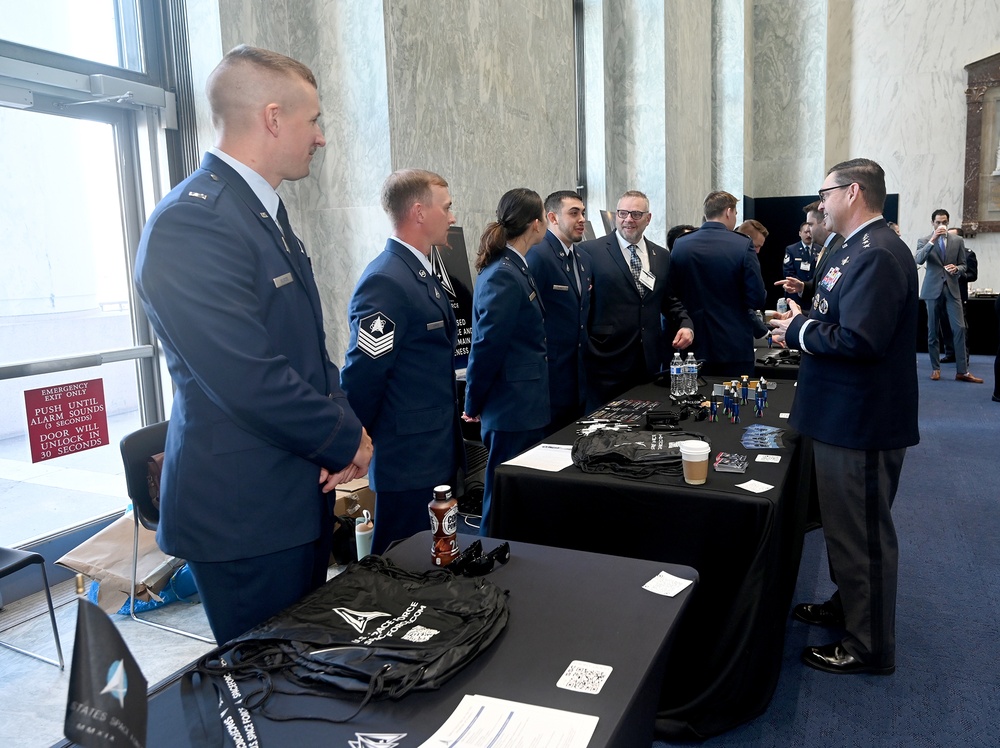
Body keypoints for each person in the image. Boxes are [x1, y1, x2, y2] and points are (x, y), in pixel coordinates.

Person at [134, 46, 372, 644]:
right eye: (313, 120)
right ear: (272, 117)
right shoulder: (194, 221)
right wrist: (344, 439)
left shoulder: (259, 212)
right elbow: (245, 377)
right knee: (266, 688)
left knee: (301, 676)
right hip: (245, 513)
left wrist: (346, 422)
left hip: (291, 493)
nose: (320, 137)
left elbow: (308, 351)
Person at [770, 158, 919, 675]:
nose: (820, 204)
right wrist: (804, 319)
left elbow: (860, 339)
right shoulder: (851, 248)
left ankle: (869, 644)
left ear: (852, 192)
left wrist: (796, 333)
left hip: (862, 421)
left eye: (825, 193)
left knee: (864, 537)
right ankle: (849, 605)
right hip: (838, 415)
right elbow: (836, 316)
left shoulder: (877, 253)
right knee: (841, 529)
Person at [341, 169, 464, 554]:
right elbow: (364, 372)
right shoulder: (387, 280)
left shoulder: (420, 273)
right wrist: (353, 443)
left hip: (432, 448)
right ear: (419, 212)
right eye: (446, 208)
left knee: (431, 558)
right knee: (399, 562)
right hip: (407, 458)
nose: (453, 217)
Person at [463, 188, 549, 534]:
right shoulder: (503, 272)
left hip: (523, 403)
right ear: (535, 224)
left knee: (518, 490)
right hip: (512, 406)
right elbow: (487, 345)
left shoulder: (516, 266)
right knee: (500, 492)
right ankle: (487, 550)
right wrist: (474, 401)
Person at [578, 191, 693, 410]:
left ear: (648, 218)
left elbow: (668, 300)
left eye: (636, 214)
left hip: (647, 363)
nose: (628, 219)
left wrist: (686, 324)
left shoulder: (661, 256)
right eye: (622, 213)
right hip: (605, 362)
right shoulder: (590, 251)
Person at [668, 191, 766, 376]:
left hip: (692, 344)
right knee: (736, 401)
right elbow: (757, 299)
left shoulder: (681, 244)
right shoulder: (742, 245)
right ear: (729, 212)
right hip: (733, 345)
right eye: (735, 214)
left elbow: (671, 293)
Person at [526, 190, 593, 433]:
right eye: (573, 213)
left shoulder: (583, 258)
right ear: (552, 218)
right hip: (549, 377)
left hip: (578, 375)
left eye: (583, 213)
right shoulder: (538, 256)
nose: (582, 219)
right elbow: (528, 317)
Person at [916, 209, 982, 383]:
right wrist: (932, 240)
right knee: (932, 331)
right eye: (938, 222)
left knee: (959, 328)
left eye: (944, 221)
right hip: (932, 289)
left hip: (953, 288)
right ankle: (935, 368)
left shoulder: (957, 240)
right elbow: (918, 259)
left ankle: (962, 371)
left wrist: (957, 269)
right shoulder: (924, 240)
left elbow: (963, 265)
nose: (941, 225)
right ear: (932, 223)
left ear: (948, 221)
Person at [775, 201, 844, 310]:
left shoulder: (837, 247)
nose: (809, 231)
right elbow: (824, 283)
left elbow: (833, 287)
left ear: (824, 222)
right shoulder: (827, 248)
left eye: (811, 225)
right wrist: (803, 286)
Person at [937, 229, 977, 366]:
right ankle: (950, 353)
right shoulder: (943, 254)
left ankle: (963, 357)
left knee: (960, 327)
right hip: (942, 293)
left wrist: (958, 273)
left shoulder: (968, 254)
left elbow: (973, 275)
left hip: (959, 294)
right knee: (945, 325)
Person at [782, 221, 817, 304]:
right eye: (806, 232)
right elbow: (788, 272)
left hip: (812, 294)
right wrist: (801, 285)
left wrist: (808, 286)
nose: (808, 235)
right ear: (800, 233)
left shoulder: (820, 249)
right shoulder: (791, 250)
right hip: (795, 294)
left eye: (810, 232)